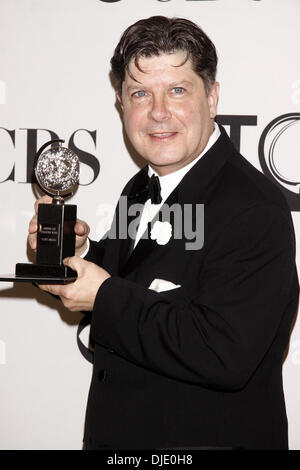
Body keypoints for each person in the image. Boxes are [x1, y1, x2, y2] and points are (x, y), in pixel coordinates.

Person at [28, 16, 299, 450]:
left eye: (177, 90)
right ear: (121, 104)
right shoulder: (140, 186)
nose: (157, 112)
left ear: (211, 97)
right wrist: (78, 253)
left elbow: (225, 352)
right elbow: (137, 279)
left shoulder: (254, 207)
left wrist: (103, 296)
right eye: (140, 93)